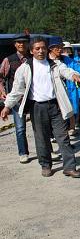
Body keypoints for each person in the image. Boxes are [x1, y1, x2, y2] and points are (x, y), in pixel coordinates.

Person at [1, 36, 80, 178]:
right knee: (41, 138)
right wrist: (7, 106)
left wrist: (75, 76)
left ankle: (70, 167)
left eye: (43, 48)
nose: (41, 51)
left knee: (63, 137)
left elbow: (67, 71)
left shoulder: (55, 64)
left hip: (55, 105)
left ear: (47, 49)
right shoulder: (25, 68)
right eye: (37, 48)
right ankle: (46, 165)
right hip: (37, 107)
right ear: (32, 51)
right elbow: (17, 90)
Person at [0, 34, 31, 163]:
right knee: (20, 128)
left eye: (24, 42)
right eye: (19, 42)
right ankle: (23, 153)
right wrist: (2, 91)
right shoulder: (8, 60)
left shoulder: (34, 58)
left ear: (27, 44)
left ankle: (47, 151)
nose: (21, 44)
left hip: (34, 98)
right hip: (17, 100)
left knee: (40, 127)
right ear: (15, 45)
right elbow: (0, 77)